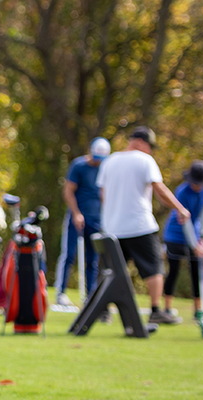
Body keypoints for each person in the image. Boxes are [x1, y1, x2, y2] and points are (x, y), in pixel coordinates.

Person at [96, 127, 190, 325]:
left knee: (110, 270)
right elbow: (160, 190)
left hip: (112, 227)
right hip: (140, 226)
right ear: (141, 142)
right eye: (150, 146)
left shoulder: (109, 161)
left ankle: (102, 310)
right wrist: (180, 209)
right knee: (154, 268)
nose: (150, 151)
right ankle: (156, 310)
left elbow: (102, 195)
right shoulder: (145, 160)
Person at [54, 137, 110, 306]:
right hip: (76, 218)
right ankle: (61, 293)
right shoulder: (78, 166)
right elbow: (68, 191)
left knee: (93, 259)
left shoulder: (105, 168)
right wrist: (76, 213)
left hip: (96, 220)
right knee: (69, 255)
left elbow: (104, 193)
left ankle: (90, 296)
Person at [163, 160, 203, 316]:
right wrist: (194, 246)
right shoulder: (182, 191)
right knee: (174, 270)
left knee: (195, 271)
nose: (197, 186)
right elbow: (184, 221)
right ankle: (167, 308)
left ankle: (198, 311)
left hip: (197, 234)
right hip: (175, 234)